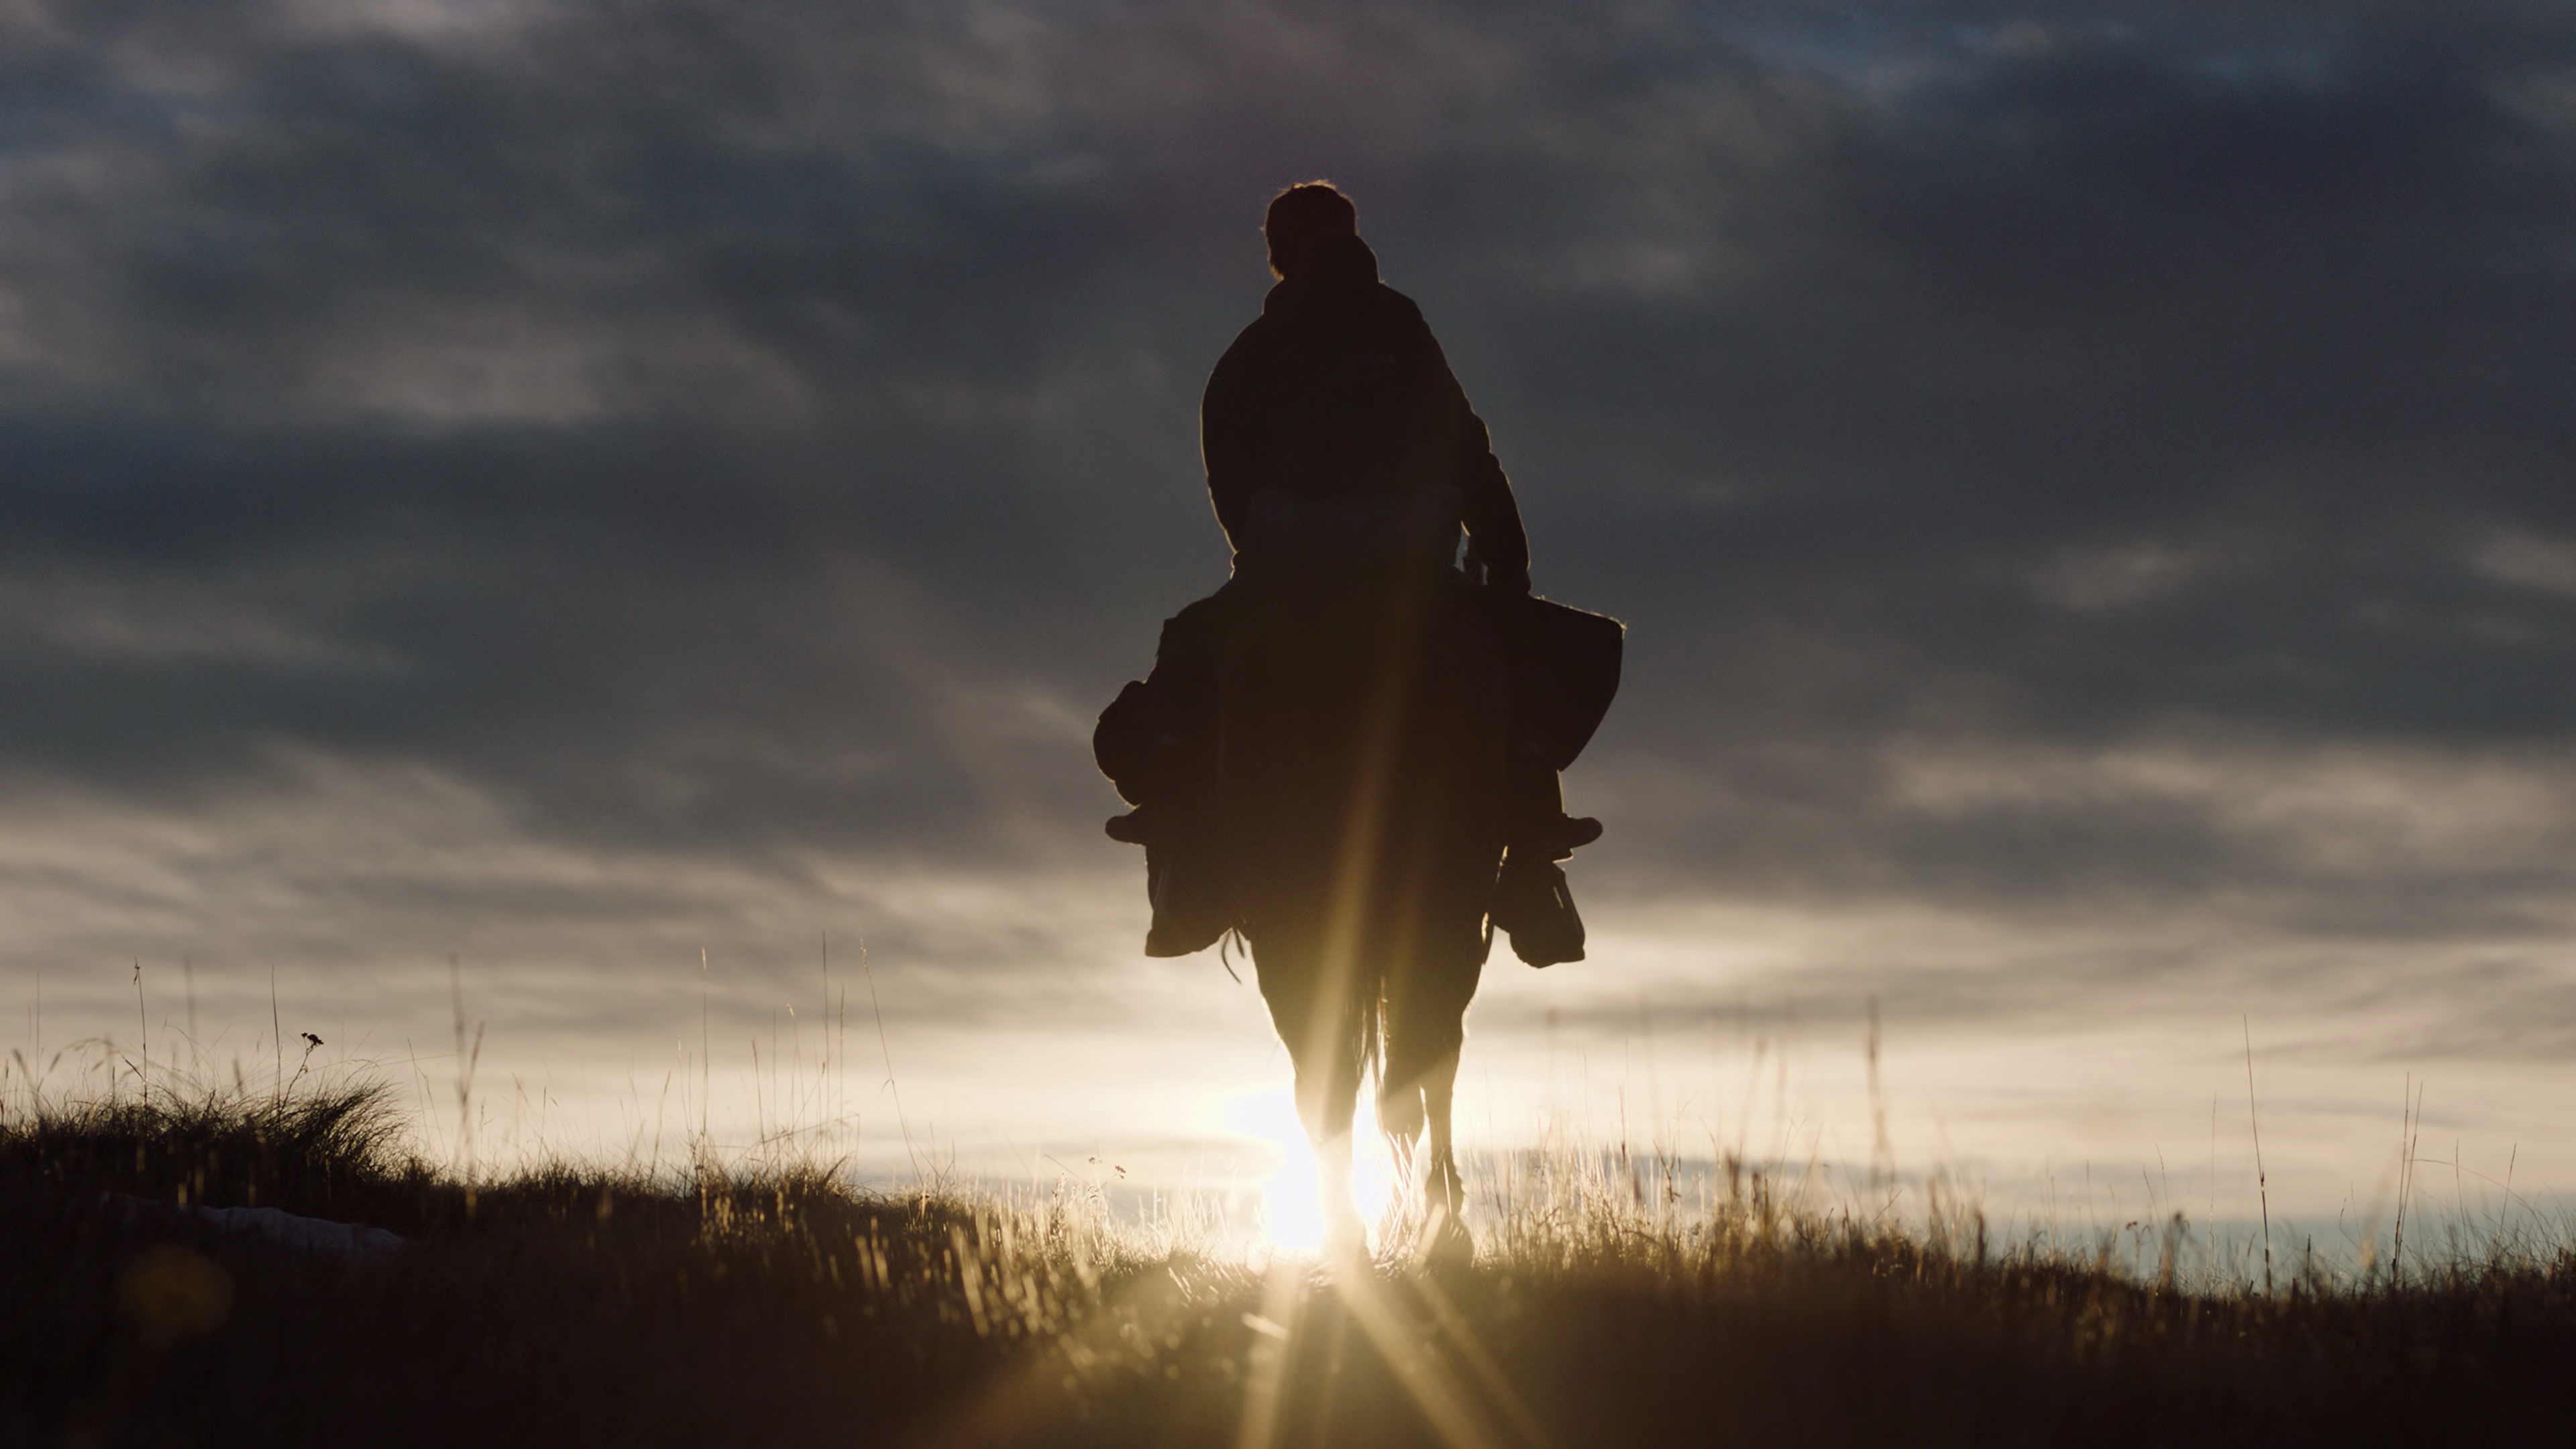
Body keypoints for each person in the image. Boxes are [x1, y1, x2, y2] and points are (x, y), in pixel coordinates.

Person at [1097, 181, 1601, 963]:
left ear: (1277, 256)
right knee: (1520, 662)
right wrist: (1507, 563)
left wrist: (1261, 553)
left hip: (1288, 565)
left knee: (1187, 657)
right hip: (1414, 564)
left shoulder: (1252, 354)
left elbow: (1228, 476)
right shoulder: (1405, 333)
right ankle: (1532, 849)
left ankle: (1187, 859)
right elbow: (1467, 448)